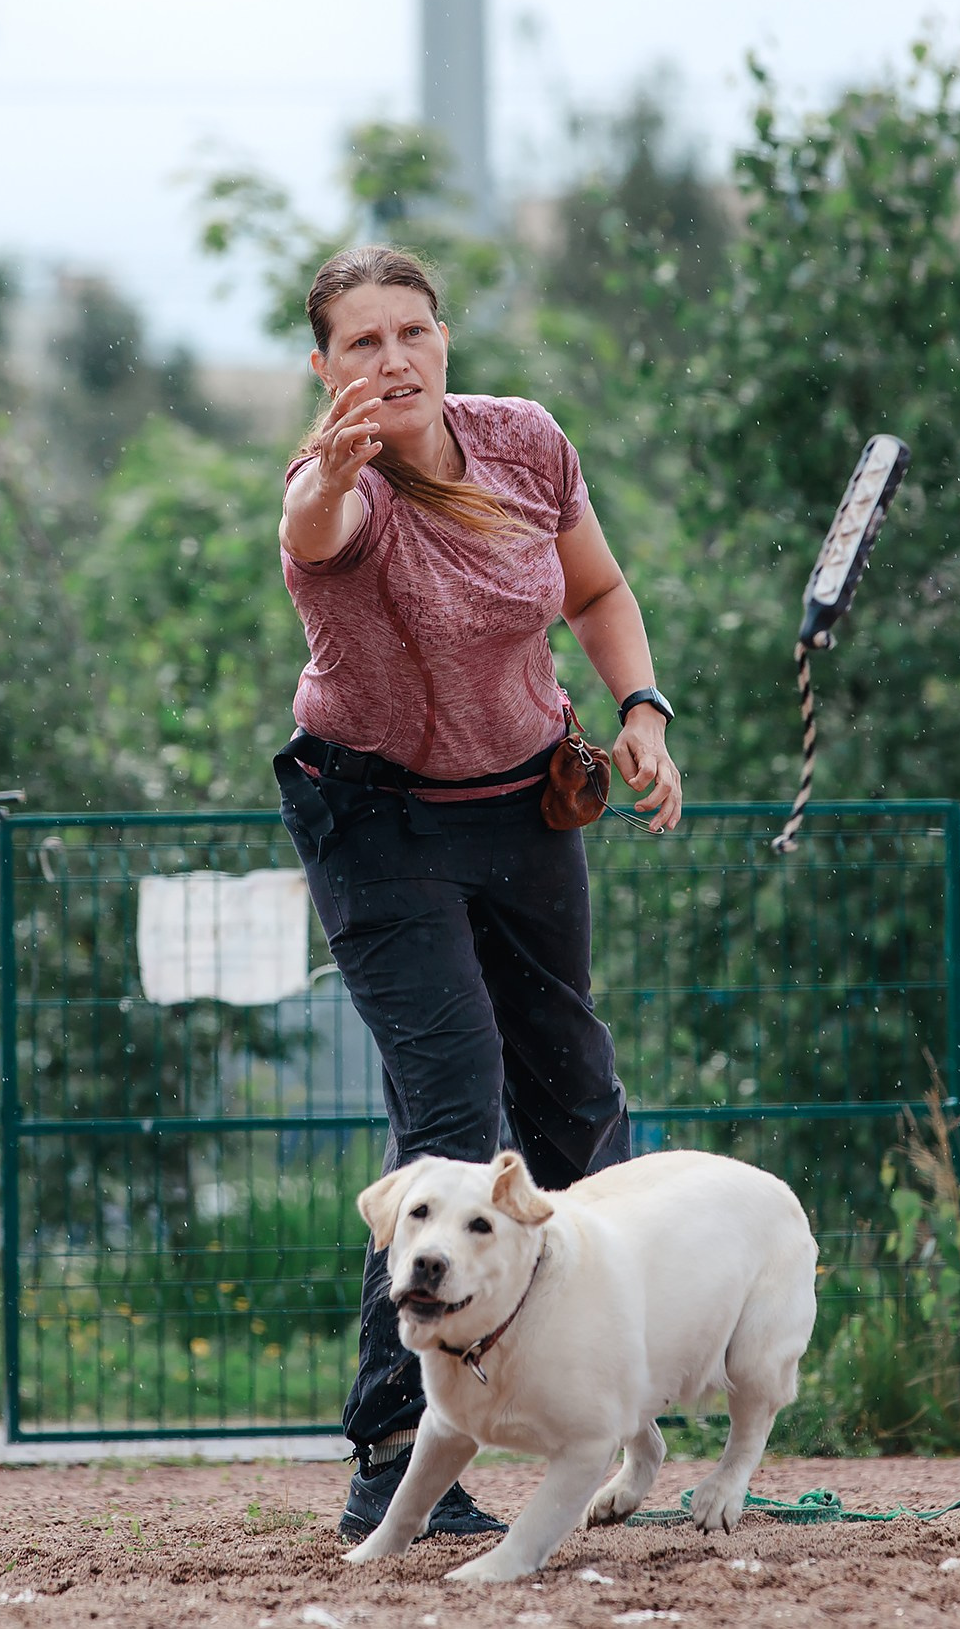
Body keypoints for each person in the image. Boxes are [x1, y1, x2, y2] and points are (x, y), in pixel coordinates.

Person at [272, 245, 683, 1541]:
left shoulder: (525, 446)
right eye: (360, 343)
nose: (390, 359)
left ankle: (608, 1406)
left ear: (445, 341)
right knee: (452, 1108)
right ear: (325, 370)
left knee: (573, 1102)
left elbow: (599, 589)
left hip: (523, 806)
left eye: (412, 333)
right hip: (376, 822)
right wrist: (327, 480)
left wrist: (643, 711)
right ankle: (394, 1451)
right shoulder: (333, 490)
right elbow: (310, 529)